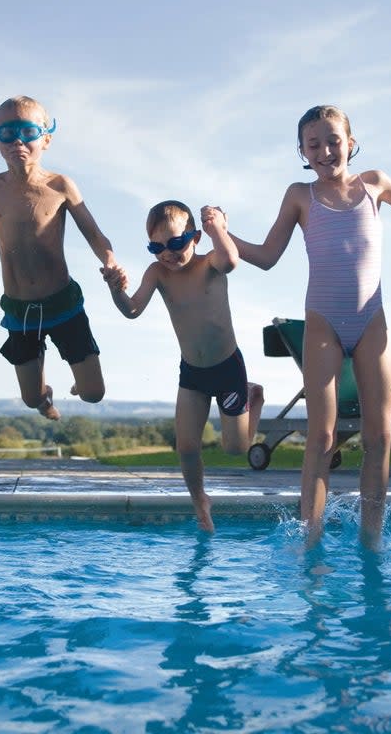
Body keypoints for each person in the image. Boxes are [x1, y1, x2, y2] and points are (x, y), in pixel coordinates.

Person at [231, 105, 391, 548]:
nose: (325, 151)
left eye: (333, 141)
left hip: (370, 322)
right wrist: (223, 236)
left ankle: (371, 538)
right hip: (323, 324)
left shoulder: (374, 183)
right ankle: (310, 538)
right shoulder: (300, 195)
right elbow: (266, 256)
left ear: (351, 143)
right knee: (322, 435)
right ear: (302, 151)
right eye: (313, 144)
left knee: (380, 433)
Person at [0, 96, 118, 420]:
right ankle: (45, 397)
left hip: (62, 303)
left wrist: (110, 260)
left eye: (28, 131)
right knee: (30, 399)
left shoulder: (60, 186)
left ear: (45, 139)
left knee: (93, 394)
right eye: (7, 133)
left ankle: (78, 384)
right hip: (21, 309)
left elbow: (94, 234)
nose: (18, 139)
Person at [103, 201, 264, 533]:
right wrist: (116, 290)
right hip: (192, 373)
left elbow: (232, 260)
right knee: (187, 447)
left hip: (228, 368)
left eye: (176, 243)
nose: (167, 253)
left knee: (236, 449)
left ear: (195, 238)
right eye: (157, 247)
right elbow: (132, 310)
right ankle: (199, 500)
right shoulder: (157, 273)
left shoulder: (211, 264)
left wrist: (218, 225)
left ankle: (253, 398)